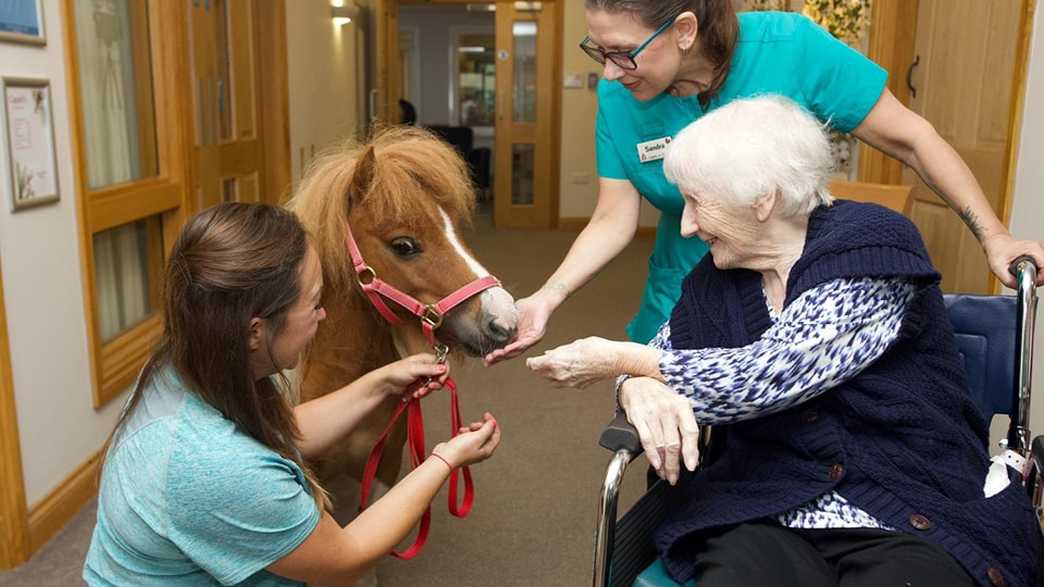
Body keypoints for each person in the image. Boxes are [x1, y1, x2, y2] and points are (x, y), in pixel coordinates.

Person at [527, 96, 1039, 586]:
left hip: (905, 499)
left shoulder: (870, 245)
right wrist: (633, 387)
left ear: (763, 199)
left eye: (695, 203)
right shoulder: (715, 277)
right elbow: (664, 352)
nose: (685, 226)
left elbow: (767, 375)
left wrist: (619, 357)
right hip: (762, 501)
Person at [485, 0, 1044, 364]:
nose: (608, 72)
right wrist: (548, 298)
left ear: (683, 30)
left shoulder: (790, 49)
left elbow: (911, 139)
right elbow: (613, 216)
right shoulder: (621, 95)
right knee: (677, 475)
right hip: (683, 299)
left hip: (793, 302)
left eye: (620, 53)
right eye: (598, 51)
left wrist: (992, 233)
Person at [83, 203, 501, 586]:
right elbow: (345, 558)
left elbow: (283, 432)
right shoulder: (215, 467)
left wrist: (381, 382)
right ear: (255, 331)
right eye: (316, 302)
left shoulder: (185, 362)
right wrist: (446, 459)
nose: (323, 314)